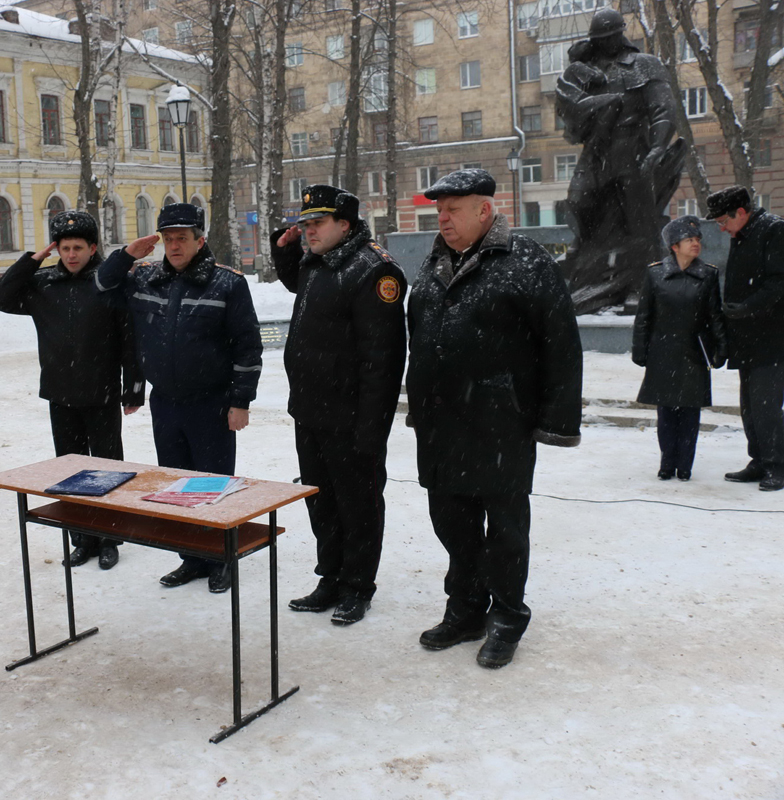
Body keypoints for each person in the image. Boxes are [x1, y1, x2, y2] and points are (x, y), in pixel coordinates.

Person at [406, 169, 583, 669]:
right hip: (444, 424)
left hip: (501, 423)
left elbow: (561, 343)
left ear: (485, 210)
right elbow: (421, 334)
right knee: (453, 525)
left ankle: (506, 616)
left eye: (453, 209)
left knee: (505, 531)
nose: (443, 218)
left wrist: (557, 421)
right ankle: (465, 609)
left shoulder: (524, 260)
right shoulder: (435, 261)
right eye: (439, 210)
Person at [95, 203, 263, 593]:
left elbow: (247, 346)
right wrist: (125, 255)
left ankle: (221, 558)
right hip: (167, 402)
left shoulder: (227, 283)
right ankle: (191, 558)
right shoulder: (146, 278)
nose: (174, 245)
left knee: (213, 485)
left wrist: (241, 402)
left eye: (182, 238)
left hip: (212, 403)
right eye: (168, 239)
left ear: (200, 240)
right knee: (178, 485)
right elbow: (102, 286)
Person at [269, 185, 408, 625]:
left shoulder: (373, 270)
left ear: (344, 225)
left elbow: (383, 360)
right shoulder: (318, 261)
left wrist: (373, 429)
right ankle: (330, 576)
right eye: (304, 223)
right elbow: (300, 286)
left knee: (359, 506)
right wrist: (286, 249)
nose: (308, 230)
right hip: (310, 411)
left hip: (351, 419)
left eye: (317, 223)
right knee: (322, 502)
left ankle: (357, 586)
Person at [0, 210, 144, 570]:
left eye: (78, 247)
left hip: (101, 392)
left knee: (107, 470)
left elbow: (129, 340)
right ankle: (82, 537)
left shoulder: (108, 283)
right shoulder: (43, 285)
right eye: (64, 248)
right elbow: (0, 298)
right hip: (60, 392)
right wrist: (31, 261)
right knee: (70, 474)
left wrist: (133, 388)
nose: (71, 255)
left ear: (93, 248)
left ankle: (109, 537)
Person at [554, 7, 685, 311]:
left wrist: (657, 148)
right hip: (596, 150)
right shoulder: (586, 68)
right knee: (578, 201)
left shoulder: (644, 65)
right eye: (599, 38)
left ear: (620, 34)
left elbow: (663, 110)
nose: (606, 43)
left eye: (610, 36)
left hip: (632, 148)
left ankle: (641, 286)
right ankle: (586, 264)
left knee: (640, 222)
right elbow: (569, 109)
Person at [631, 215, 726, 481]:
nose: (696, 244)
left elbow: (715, 315)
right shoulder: (655, 273)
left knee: (690, 412)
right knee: (666, 412)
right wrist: (640, 349)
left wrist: (721, 348)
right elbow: (644, 316)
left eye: (697, 240)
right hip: (662, 352)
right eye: (689, 240)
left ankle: (685, 465)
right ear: (674, 246)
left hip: (694, 352)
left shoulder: (708, 274)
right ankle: (666, 462)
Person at [706, 186, 784, 492]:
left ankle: (777, 465)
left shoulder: (774, 230)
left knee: (766, 406)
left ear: (741, 212)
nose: (722, 229)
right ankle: (759, 460)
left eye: (723, 221)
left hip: (772, 338)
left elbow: (780, 282)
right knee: (750, 406)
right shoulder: (742, 234)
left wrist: (748, 307)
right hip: (748, 338)